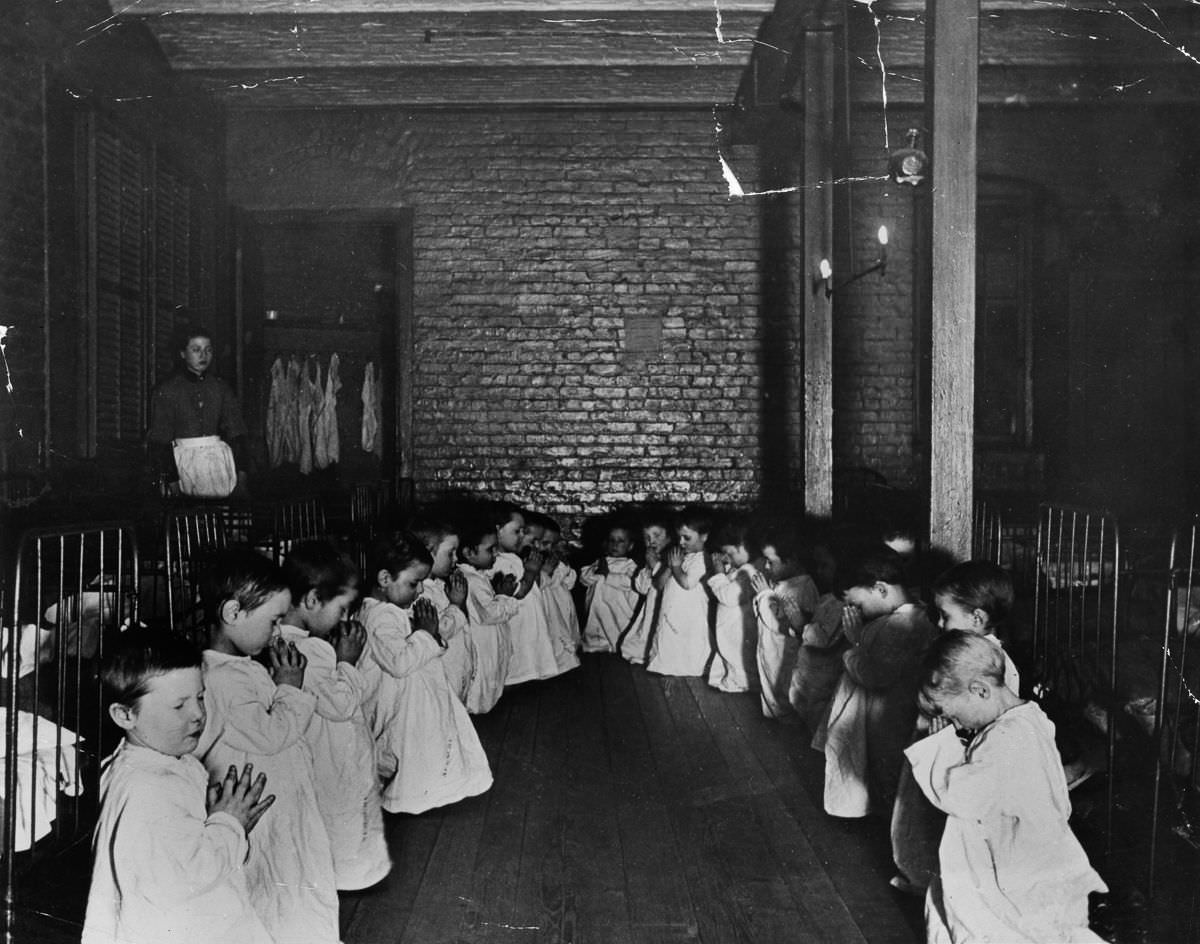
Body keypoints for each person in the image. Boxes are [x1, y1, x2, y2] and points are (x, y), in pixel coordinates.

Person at [907, 630, 1108, 943]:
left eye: (954, 715)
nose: (957, 726)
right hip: (1036, 848)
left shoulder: (1004, 739)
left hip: (1013, 858)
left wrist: (940, 745)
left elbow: (960, 797)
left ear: (980, 691)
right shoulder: (1031, 717)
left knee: (999, 926)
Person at [83, 626, 274, 944]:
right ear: (125, 715)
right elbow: (186, 879)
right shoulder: (149, 789)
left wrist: (212, 815)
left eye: (200, 697)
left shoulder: (162, 760)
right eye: (179, 706)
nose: (199, 714)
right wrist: (229, 823)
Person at [193, 546, 340, 944]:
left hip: (276, 798)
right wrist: (290, 686)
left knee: (291, 880)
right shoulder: (222, 679)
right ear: (232, 614)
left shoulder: (241, 667)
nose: (278, 632)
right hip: (259, 809)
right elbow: (270, 734)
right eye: (274, 620)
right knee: (272, 887)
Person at [891, 559, 1023, 896]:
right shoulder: (960, 651)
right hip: (938, 742)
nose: (938, 622)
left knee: (939, 820)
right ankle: (920, 875)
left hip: (958, 760)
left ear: (976, 619)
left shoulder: (991, 662)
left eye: (945, 615)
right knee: (919, 813)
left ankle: (931, 882)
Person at [278, 541, 391, 891]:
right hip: (328, 754)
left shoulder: (299, 641)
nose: (345, 619)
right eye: (342, 608)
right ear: (312, 600)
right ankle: (347, 878)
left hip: (325, 747)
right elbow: (340, 705)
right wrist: (347, 661)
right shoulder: (306, 650)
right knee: (342, 814)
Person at [358, 532, 493, 813]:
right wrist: (424, 634)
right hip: (399, 702)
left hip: (415, 696)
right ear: (384, 579)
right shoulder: (379, 616)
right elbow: (399, 662)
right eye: (414, 583)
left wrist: (450, 613)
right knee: (406, 747)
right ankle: (412, 794)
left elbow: (432, 638)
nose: (420, 591)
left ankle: (427, 789)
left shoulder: (393, 608)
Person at [821, 548, 937, 819]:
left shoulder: (893, 626)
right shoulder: (918, 614)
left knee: (887, 775)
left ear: (881, 589)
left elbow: (875, 676)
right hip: (901, 712)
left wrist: (855, 643)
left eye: (859, 605)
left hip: (888, 716)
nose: (857, 613)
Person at [147, 325, 249, 499]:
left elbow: (237, 433)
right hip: (183, 467)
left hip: (218, 465)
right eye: (196, 350)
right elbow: (160, 441)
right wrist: (173, 484)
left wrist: (241, 479)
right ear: (182, 353)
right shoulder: (168, 390)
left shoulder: (221, 388)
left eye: (208, 350)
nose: (203, 355)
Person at [488, 502, 560, 683]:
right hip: (515, 617)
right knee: (517, 653)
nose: (521, 536)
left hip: (527, 617)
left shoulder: (513, 557)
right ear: (498, 531)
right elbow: (517, 592)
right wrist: (531, 571)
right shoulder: (498, 562)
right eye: (517, 531)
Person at [753, 529, 820, 720]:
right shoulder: (783, 582)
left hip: (785, 650)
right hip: (771, 646)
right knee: (771, 682)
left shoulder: (803, 587)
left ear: (791, 561)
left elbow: (778, 622)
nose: (766, 566)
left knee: (783, 687)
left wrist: (765, 595)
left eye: (771, 561)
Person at [410, 517, 476, 706]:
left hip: (457, 667)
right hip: (443, 673)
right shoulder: (420, 594)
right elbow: (439, 632)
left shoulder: (440, 585)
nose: (456, 559)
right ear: (428, 552)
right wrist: (456, 604)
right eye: (450, 553)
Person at [456, 518, 519, 713]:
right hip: (482, 641)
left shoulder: (478, 576)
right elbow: (489, 613)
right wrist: (504, 596)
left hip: (490, 638)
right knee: (482, 677)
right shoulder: (470, 580)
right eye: (490, 549)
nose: (495, 554)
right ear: (468, 553)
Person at [646, 505, 713, 677]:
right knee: (667, 636)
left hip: (690, 613)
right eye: (679, 538)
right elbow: (659, 584)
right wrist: (670, 566)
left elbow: (687, 583)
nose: (681, 542)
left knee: (689, 640)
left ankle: (691, 667)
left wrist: (676, 566)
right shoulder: (679, 556)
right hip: (671, 608)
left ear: (704, 536)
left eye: (687, 538)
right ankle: (665, 664)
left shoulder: (702, 559)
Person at [706, 515, 761, 693]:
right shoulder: (741, 569)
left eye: (730, 553)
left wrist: (718, 575)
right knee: (728, 652)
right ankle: (730, 678)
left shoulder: (749, 572)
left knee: (737, 656)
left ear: (746, 548)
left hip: (739, 627)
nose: (727, 558)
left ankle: (742, 683)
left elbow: (729, 597)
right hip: (730, 625)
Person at [619, 511, 674, 665]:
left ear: (669, 538)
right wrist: (648, 567)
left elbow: (666, 585)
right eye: (647, 538)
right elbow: (642, 588)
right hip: (651, 606)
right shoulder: (649, 561)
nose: (652, 542)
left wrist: (655, 566)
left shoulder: (672, 560)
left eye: (657, 536)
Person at [579, 521, 640, 654]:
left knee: (616, 630)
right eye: (611, 540)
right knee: (595, 630)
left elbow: (631, 583)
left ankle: (618, 646)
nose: (615, 544)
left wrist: (608, 575)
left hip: (616, 609)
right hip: (596, 607)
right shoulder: (599, 562)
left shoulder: (630, 565)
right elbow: (584, 579)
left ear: (630, 546)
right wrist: (597, 572)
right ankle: (596, 645)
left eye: (620, 541)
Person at [534, 513, 583, 672]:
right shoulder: (533, 564)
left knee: (564, 631)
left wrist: (564, 567)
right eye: (544, 543)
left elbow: (569, 583)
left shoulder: (555, 560)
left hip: (561, 604)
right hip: (548, 606)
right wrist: (546, 571)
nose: (549, 548)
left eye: (553, 544)